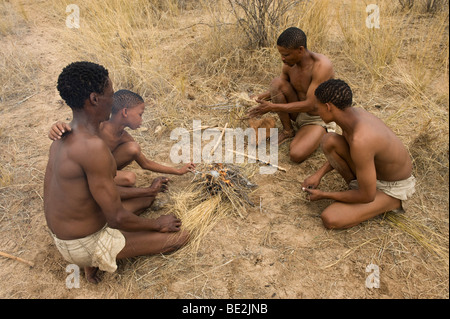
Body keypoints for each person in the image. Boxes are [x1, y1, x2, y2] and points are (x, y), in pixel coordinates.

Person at [44, 61, 189, 284]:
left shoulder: (61, 136)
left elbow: (92, 196)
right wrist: (157, 223)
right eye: (110, 95)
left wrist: (147, 192)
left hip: (64, 236)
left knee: (145, 202)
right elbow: (117, 217)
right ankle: (91, 259)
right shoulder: (93, 147)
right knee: (179, 238)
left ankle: (89, 259)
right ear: (94, 99)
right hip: (83, 243)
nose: (112, 101)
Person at [302, 79, 416, 229]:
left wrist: (325, 194)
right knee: (329, 141)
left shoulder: (361, 139)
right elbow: (354, 153)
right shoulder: (351, 116)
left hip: (392, 187)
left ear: (328, 107)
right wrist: (318, 174)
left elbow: (367, 196)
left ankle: (391, 202)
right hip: (374, 174)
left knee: (331, 218)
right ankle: (358, 188)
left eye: (319, 108)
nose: (317, 111)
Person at [48, 89, 196, 187]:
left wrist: (178, 171)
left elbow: (145, 163)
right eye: (140, 114)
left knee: (133, 148)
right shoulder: (99, 127)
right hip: (83, 175)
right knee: (129, 178)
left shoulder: (124, 137)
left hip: (103, 172)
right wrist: (57, 127)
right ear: (125, 112)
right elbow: (74, 129)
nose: (141, 120)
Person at [247, 27, 336, 163]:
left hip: (317, 118)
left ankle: (321, 132)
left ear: (300, 50)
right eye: (281, 54)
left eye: (286, 55)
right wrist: (258, 98)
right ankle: (288, 130)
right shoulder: (289, 64)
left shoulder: (321, 66)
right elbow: (279, 88)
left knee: (296, 155)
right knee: (277, 82)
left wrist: (272, 107)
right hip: (298, 113)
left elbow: (310, 104)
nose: (282, 58)